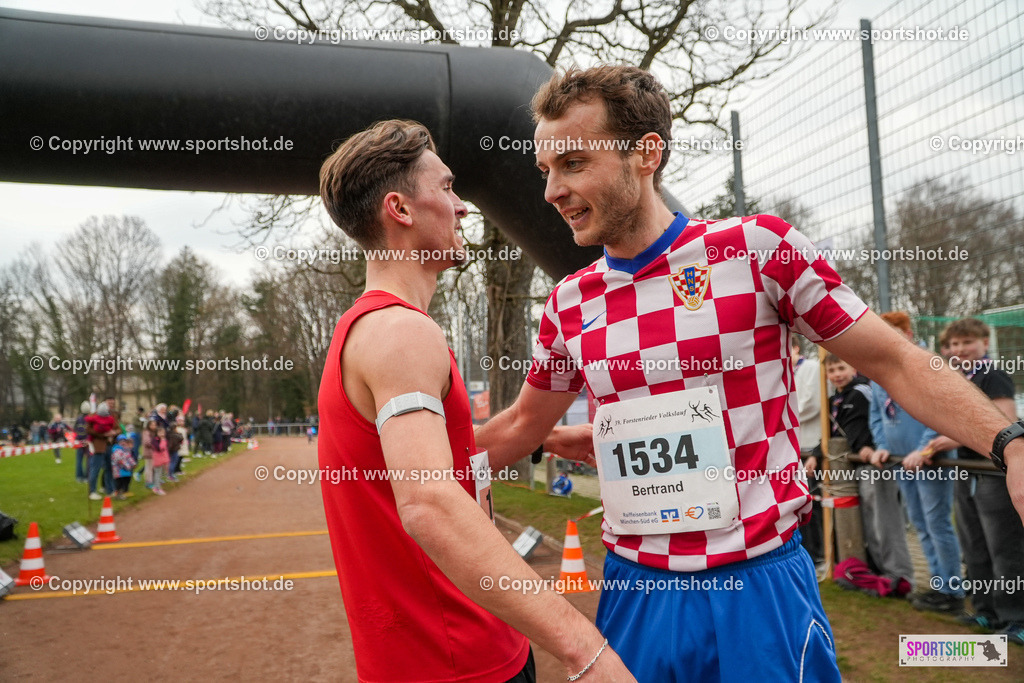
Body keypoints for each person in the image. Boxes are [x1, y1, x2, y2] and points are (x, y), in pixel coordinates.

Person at [473, 64, 1024, 680]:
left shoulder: (757, 249)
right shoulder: (571, 301)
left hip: (757, 585)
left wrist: (1010, 443)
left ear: (646, 154)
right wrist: (415, 478)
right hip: (637, 593)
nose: (551, 190)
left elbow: (893, 359)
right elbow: (523, 423)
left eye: (573, 163)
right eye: (546, 170)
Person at [317, 118, 633, 682]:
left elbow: (401, 462)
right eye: (445, 188)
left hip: (435, 655)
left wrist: (548, 436)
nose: (462, 206)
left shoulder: (365, 328)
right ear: (401, 210)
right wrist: (584, 648)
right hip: (457, 659)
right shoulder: (402, 333)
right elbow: (429, 502)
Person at [927, 318, 1024, 646]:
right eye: (953, 344)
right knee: (974, 545)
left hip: (992, 473)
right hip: (966, 472)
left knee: (1005, 549)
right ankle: (986, 610)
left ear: (985, 342)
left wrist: (945, 440)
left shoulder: (993, 376)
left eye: (967, 342)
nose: (959, 350)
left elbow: (1006, 422)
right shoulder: (959, 381)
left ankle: (1016, 618)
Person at [868, 311, 963, 613]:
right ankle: (937, 585)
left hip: (929, 460)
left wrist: (923, 450)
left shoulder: (927, 365)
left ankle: (953, 590)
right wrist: (882, 446)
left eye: (892, 333)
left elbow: (940, 410)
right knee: (920, 523)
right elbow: (877, 414)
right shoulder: (879, 371)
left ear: (907, 335)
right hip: (900, 461)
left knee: (937, 524)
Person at [817, 354, 913, 594]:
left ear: (853, 368)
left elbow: (870, 425)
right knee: (870, 523)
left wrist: (869, 447)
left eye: (841, 367)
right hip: (857, 465)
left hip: (875, 464)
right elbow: (831, 433)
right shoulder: (834, 399)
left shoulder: (862, 392)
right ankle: (881, 573)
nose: (837, 374)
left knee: (885, 522)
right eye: (831, 370)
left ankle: (900, 576)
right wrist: (815, 454)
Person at [792, 339, 824, 567]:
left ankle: (821, 551)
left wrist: (781, 416)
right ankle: (809, 550)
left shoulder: (810, 367)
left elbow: (812, 404)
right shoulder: (785, 370)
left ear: (795, 348)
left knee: (817, 502)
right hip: (794, 446)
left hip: (812, 444)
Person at [86, 402, 118, 501]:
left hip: (109, 446)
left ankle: (110, 489)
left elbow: (118, 428)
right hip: (98, 446)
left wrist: (113, 432)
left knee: (109, 468)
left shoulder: (111, 417)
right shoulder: (93, 418)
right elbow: (89, 430)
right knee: (95, 469)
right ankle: (92, 491)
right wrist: (103, 434)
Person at [111, 435, 136, 500]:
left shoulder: (126, 449)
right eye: (121, 441)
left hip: (125, 470)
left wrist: (133, 463)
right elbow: (120, 460)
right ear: (118, 442)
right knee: (119, 483)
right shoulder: (116, 450)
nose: (123, 443)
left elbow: (129, 457)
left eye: (124, 441)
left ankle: (122, 492)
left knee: (126, 481)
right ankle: (117, 494)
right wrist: (128, 466)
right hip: (118, 470)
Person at [73, 401, 91, 483]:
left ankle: (79, 477)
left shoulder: (78, 419)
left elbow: (75, 429)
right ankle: (86, 477)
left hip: (79, 442)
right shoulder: (90, 418)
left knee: (79, 460)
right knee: (88, 460)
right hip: (87, 442)